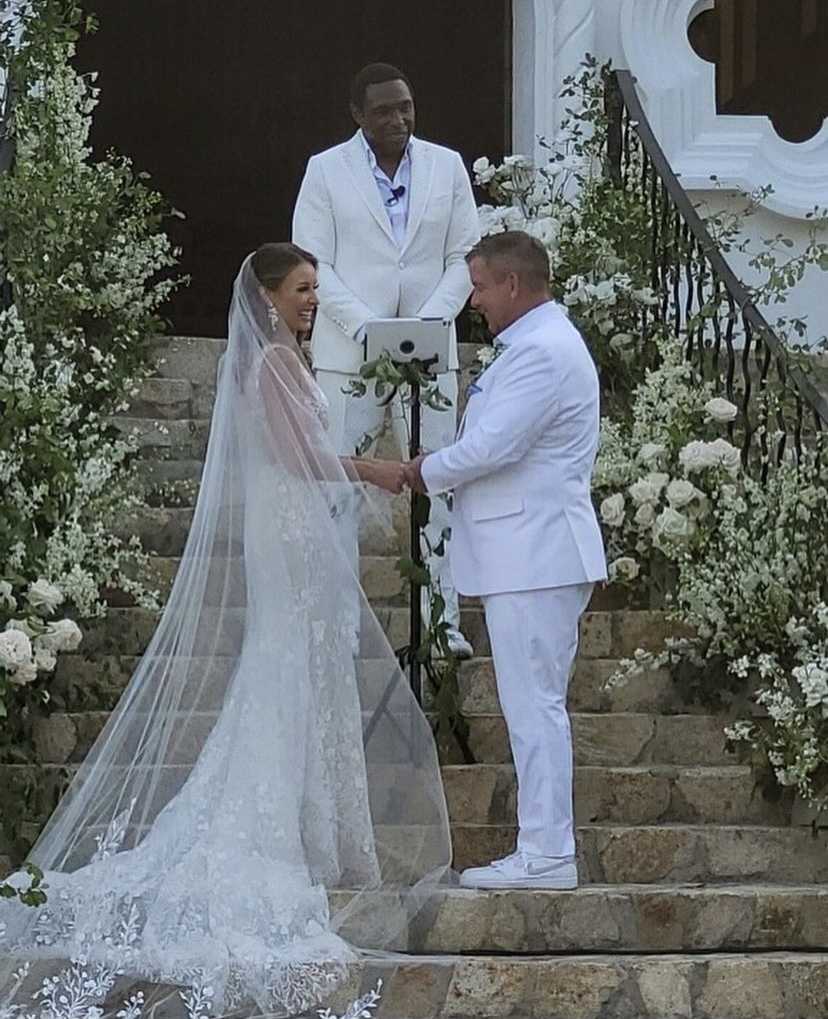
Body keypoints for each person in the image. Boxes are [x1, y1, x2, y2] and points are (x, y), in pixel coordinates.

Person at [0, 244, 451, 1018]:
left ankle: (308, 826)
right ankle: (275, 831)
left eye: (316, 288)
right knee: (284, 669)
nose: (313, 300)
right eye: (303, 289)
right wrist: (372, 469)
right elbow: (299, 457)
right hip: (290, 532)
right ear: (270, 295)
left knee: (297, 670)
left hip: (300, 532)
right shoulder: (273, 365)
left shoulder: (285, 358)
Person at [405, 231, 607, 890]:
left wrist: (418, 471)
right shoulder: (534, 344)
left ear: (513, 284)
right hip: (530, 553)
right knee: (530, 704)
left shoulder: (542, 352)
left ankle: (547, 852)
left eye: (482, 288)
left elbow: (492, 446)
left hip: (538, 553)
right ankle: (543, 846)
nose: (476, 303)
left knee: (534, 706)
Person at [292, 62, 480, 658]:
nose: (398, 119)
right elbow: (314, 263)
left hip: (430, 351)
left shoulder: (447, 165)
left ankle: (442, 620)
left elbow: (464, 254)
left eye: (405, 107)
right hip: (350, 353)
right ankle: (341, 622)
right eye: (383, 111)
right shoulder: (325, 171)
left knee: (438, 485)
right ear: (357, 115)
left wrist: (428, 323)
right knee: (339, 488)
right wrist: (371, 329)